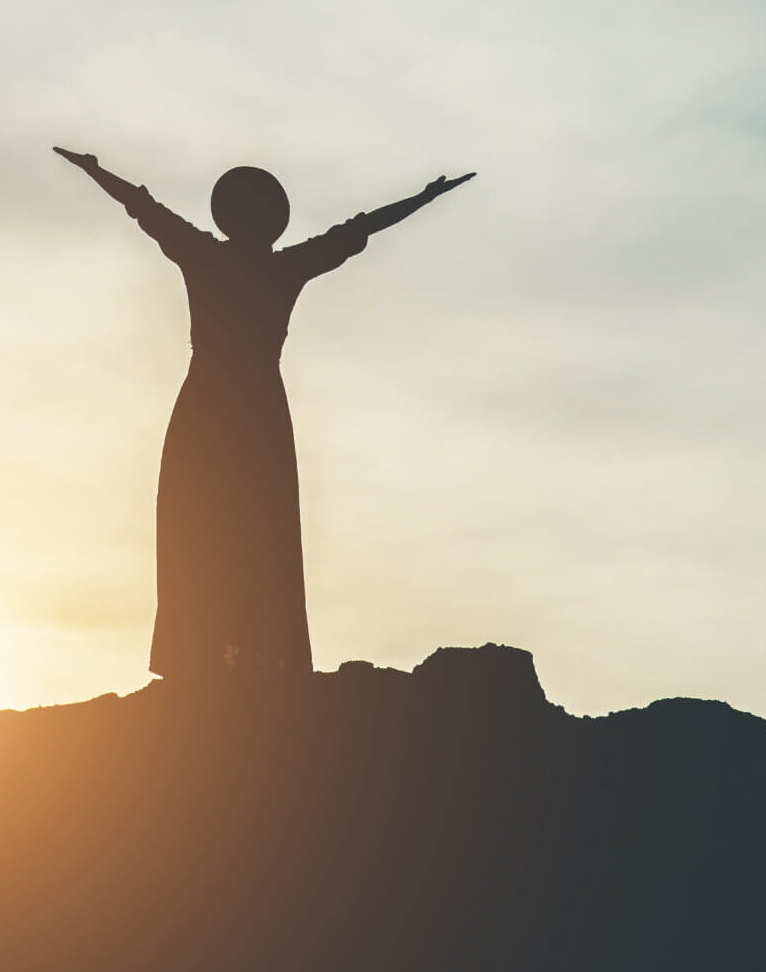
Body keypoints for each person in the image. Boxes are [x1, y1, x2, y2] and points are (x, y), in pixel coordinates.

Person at [54, 147, 475, 680]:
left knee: (254, 529)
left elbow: (358, 229)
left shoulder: (231, 258)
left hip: (233, 410)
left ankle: (244, 660)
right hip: (226, 410)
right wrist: (95, 171)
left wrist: (421, 198)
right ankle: (202, 659)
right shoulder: (243, 260)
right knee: (207, 525)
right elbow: (145, 208)